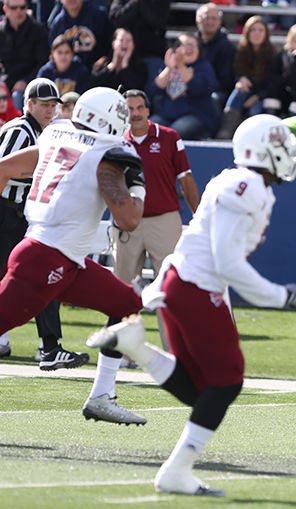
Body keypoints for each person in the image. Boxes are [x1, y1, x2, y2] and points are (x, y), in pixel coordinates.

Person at [85, 114, 296, 496]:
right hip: (196, 287)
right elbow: (226, 261)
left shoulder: (235, 180)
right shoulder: (246, 185)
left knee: (200, 389)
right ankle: (176, 470)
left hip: (181, 282)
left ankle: (137, 346)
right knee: (228, 380)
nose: (287, 153)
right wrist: (277, 296)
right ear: (264, 150)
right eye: (281, 145)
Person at [0, 86, 150, 424]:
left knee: (125, 304)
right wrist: (137, 185)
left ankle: (102, 396)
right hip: (44, 261)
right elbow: (129, 219)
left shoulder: (56, 134)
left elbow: (3, 169)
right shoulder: (107, 154)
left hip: (63, 259)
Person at [0, 77, 88, 368]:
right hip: (5, 211)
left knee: (42, 275)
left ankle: (50, 346)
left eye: (54, 105)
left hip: (22, 215)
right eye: (45, 105)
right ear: (29, 105)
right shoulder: (19, 129)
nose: (50, 110)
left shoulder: (49, 133)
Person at [114, 88, 199, 350]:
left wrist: (199, 217)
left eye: (140, 108)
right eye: (129, 109)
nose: (135, 114)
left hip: (163, 220)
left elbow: (185, 179)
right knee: (123, 290)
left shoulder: (169, 137)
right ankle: (123, 352)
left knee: (169, 288)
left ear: (148, 110)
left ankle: (175, 350)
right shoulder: (115, 140)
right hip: (127, 221)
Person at [148, 33, 218, 141]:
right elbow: (153, 89)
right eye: (185, 45)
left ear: (199, 49)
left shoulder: (203, 66)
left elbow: (198, 90)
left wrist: (181, 66)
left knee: (171, 135)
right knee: (147, 130)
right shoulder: (167, 65)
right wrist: (169, 68)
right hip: (165, 115)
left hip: (194, 116)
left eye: (193, 45)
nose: (189, 48)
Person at [217, 16, 275, 140]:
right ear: (247, 32)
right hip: (245, 91)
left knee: (254, 111)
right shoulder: (240, 51)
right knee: (238, 92)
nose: (257, 33)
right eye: (253, 30)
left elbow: (274, 85)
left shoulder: (273, 54)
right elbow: (234, 74)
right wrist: (240, 79)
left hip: (263, 95)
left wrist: (256, 97)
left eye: (260, 30)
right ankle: (226, 130)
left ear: (266, 33)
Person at [0, 0, 50, 110]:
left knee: (18, 97)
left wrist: (26, 81)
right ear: (5, 9)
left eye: (22, 7)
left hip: (29, 83)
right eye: (14, 8)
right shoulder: (1, 31)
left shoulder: (38, 31)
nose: (19, 11)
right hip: (6, 81)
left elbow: (43, 63)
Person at [263, 24, 296, 118]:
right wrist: (287, 80)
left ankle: (292, 124)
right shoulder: (284, 54)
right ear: (290, 42)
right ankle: (271, 118)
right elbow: (270, 76)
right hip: (286, 94)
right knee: (273, 88)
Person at [109, 0, 171, 82]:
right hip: (124, 56)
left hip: (151, 55)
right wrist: (133, 3)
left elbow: (158, 21)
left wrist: (141, 3)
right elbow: (116, 20)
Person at [48, 0, 113, 68]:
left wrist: (106, 59)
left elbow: (112, 44)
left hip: (97, 71)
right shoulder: (57, 25)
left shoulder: (100, 15)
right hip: (70, 74)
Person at [195, 3, 236, 107]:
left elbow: (225, 82)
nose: (210, 21)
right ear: (197, 21)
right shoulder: (191, 43)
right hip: (192, 88)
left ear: (220, 22)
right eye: (206, 18)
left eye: (214, 18)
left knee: (214, 99)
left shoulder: (227, 47)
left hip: (215, 92)